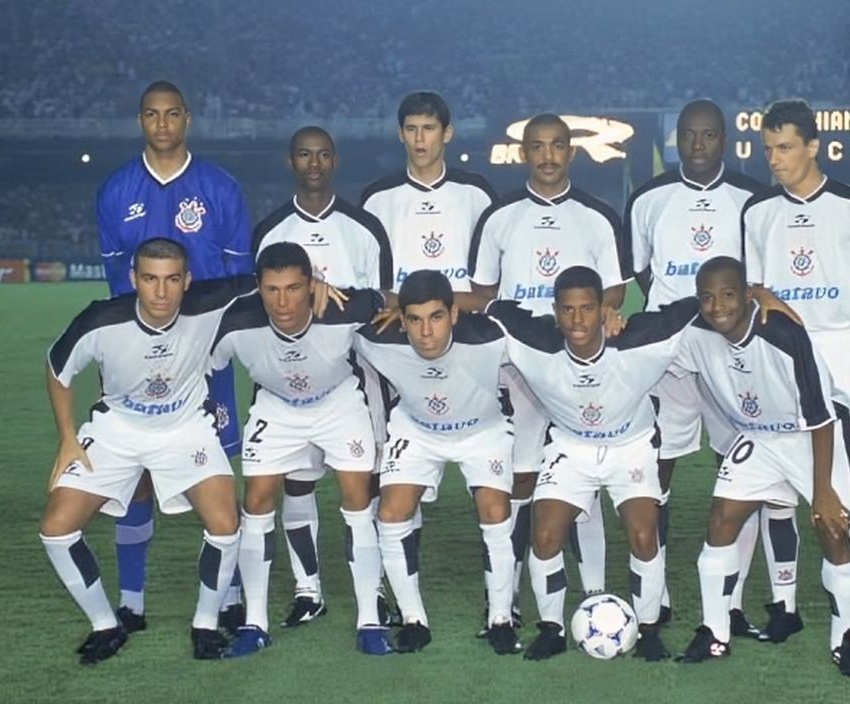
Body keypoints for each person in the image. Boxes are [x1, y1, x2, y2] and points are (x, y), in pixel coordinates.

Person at [40, 238, 252, 664]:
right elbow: (57, 367)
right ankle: (105, 624)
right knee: (56, 529)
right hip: (117, 430)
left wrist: (318, 284)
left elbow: (271, 282)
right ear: (133, 278)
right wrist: (67, 438)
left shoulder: (210, 303)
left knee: (226, 524)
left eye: (172, 280)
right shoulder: (101, 319)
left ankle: (206, 625)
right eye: (150, 279)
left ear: (187, 281)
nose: (161, 292)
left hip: (185, 429)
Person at [94, 80, 253, 633]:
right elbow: (118, 283)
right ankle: (132, 603)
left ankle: (229, 594)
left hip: (204, 353)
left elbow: (236, 280)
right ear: (140, 120)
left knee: (216, 468)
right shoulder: (117, 190)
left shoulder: (219, 187)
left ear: (188, 118)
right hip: (134, 356)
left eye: (172, 114)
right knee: (134, 475)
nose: (162, 124)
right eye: (151, 115)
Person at [743, 98, 850, 643]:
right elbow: (753, 284)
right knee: (777, 487)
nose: (775, 160)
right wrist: (772, 303)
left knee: (849, 487)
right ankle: (783, 606)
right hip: (780, 358)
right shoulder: (757, 212)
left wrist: (838, 316)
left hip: (837, 352)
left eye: (784, 148)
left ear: (812, 146)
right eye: (768, 150)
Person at [626, 99, 783, 635]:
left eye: (708, 135)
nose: (698, 145)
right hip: (669, 352)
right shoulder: (648, 198)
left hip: (730, 351)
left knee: (742, 469)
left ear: (725, 140)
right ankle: (658, 592)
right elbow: (641, 272)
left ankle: (731, 602)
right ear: (676, 140)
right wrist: (677, 316)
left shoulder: (752, 200)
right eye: (689, 135)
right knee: (657, 468)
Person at [485, 266, 698, 661]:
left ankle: (648, 631)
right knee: (545, 536)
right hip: (571, 447)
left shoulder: (639, 341)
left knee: (642, 535)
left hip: (630, 446)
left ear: (605, 309)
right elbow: (493, 308)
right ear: (555, 311)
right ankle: (551, 629)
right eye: (567, 310)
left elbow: (697, 307)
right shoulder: (536, 342)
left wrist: (755, 294)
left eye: (587, 309)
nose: (577, 320)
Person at [672, 256, 850, 678]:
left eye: (728, 295)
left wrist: (823, 491)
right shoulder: (694, 333)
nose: (717, 306)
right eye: (706, 298)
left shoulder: (782, 334)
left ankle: (847, 638)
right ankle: (715, 631)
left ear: (747, 295)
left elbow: (819, 415)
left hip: (810, 433)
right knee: (722, 518)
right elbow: (650, 329)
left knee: (832, 527)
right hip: (758, 438)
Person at [468, 114, 631, 620]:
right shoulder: (499, 218)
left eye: (557, 146)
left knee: (585, 475)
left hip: (579, 363)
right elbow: (482, 294)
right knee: (518, 480)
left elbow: (616, 289)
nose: (547, 156)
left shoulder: (597, 217)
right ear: (523, 154)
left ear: (571, 153)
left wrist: (596, 318)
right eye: (536, 147)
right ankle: (510, 596)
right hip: (518, 369)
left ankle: (595, 593)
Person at [209, 242, 394, 656]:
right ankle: (255, 623)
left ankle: (370, 619)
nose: (282, 301)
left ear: (312, 284)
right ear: (258, 287)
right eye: (272, 289)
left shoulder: (344, 307)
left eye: (293, 288)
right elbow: (198, 362)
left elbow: (390, 300)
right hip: (277, 407)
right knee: (255, 503)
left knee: (357, 499)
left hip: (337, 403)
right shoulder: (237, 322)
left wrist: (395, 307)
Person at [250, 126, 394, 628]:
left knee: (365, 485)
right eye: (304, 155)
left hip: (353, 378)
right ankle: (308, 589)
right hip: (286, 382)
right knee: (297, 484)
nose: (314, 163)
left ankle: (374, 588)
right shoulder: (270, 230)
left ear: (336, 160)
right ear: (291, 161)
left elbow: (385, 303)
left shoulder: (364, 228)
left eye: (323, 155)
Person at [354, 270, 520, 655]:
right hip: (418, 430)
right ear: (403, 318)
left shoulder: (490, 339)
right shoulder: (376, 339)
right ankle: (414, 620)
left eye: (436, 317)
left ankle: (500, 619)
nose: (425, 332)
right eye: (414, 319)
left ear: (454, 314)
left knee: (494, 511)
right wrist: (383, 301)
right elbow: (336, 312)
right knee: (392, 513)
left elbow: (532, 323)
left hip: (483, 430)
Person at [361, 91, 495, 293]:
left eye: (429, 128)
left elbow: (492, 269)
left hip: (466, 318)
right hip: (400, 319)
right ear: (400, 134)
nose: (419, 139)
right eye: (411, 129)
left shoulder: (477, 193)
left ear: (447, 133)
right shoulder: (376, 198)